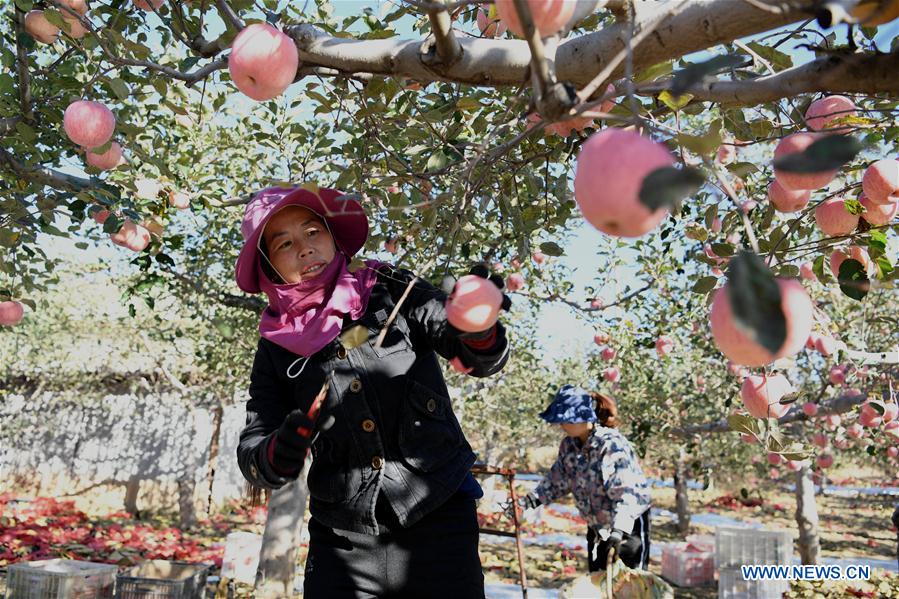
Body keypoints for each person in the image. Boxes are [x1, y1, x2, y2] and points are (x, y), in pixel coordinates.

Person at [233, 185, 510, 598]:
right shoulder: (275, 347)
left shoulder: (388, 289)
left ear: (331, 236)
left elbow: (462, 345)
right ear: (269, 267)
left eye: (312, 233)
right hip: (344, 537)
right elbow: (254, 447)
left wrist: (478, 326)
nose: (305, 249)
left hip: (438, 516)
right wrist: (278, 452)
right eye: (285, 244)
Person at [518, 385, 652, 572]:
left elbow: (627, 492)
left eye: (566, 419)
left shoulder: (610, 445)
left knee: (629, 583)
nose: (562, 425)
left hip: (627, 525)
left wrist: (618, 531)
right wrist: (531, 500)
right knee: (599, 580)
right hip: (597, 526)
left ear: (583, 417)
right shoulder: (569, 446)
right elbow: (558, 479)